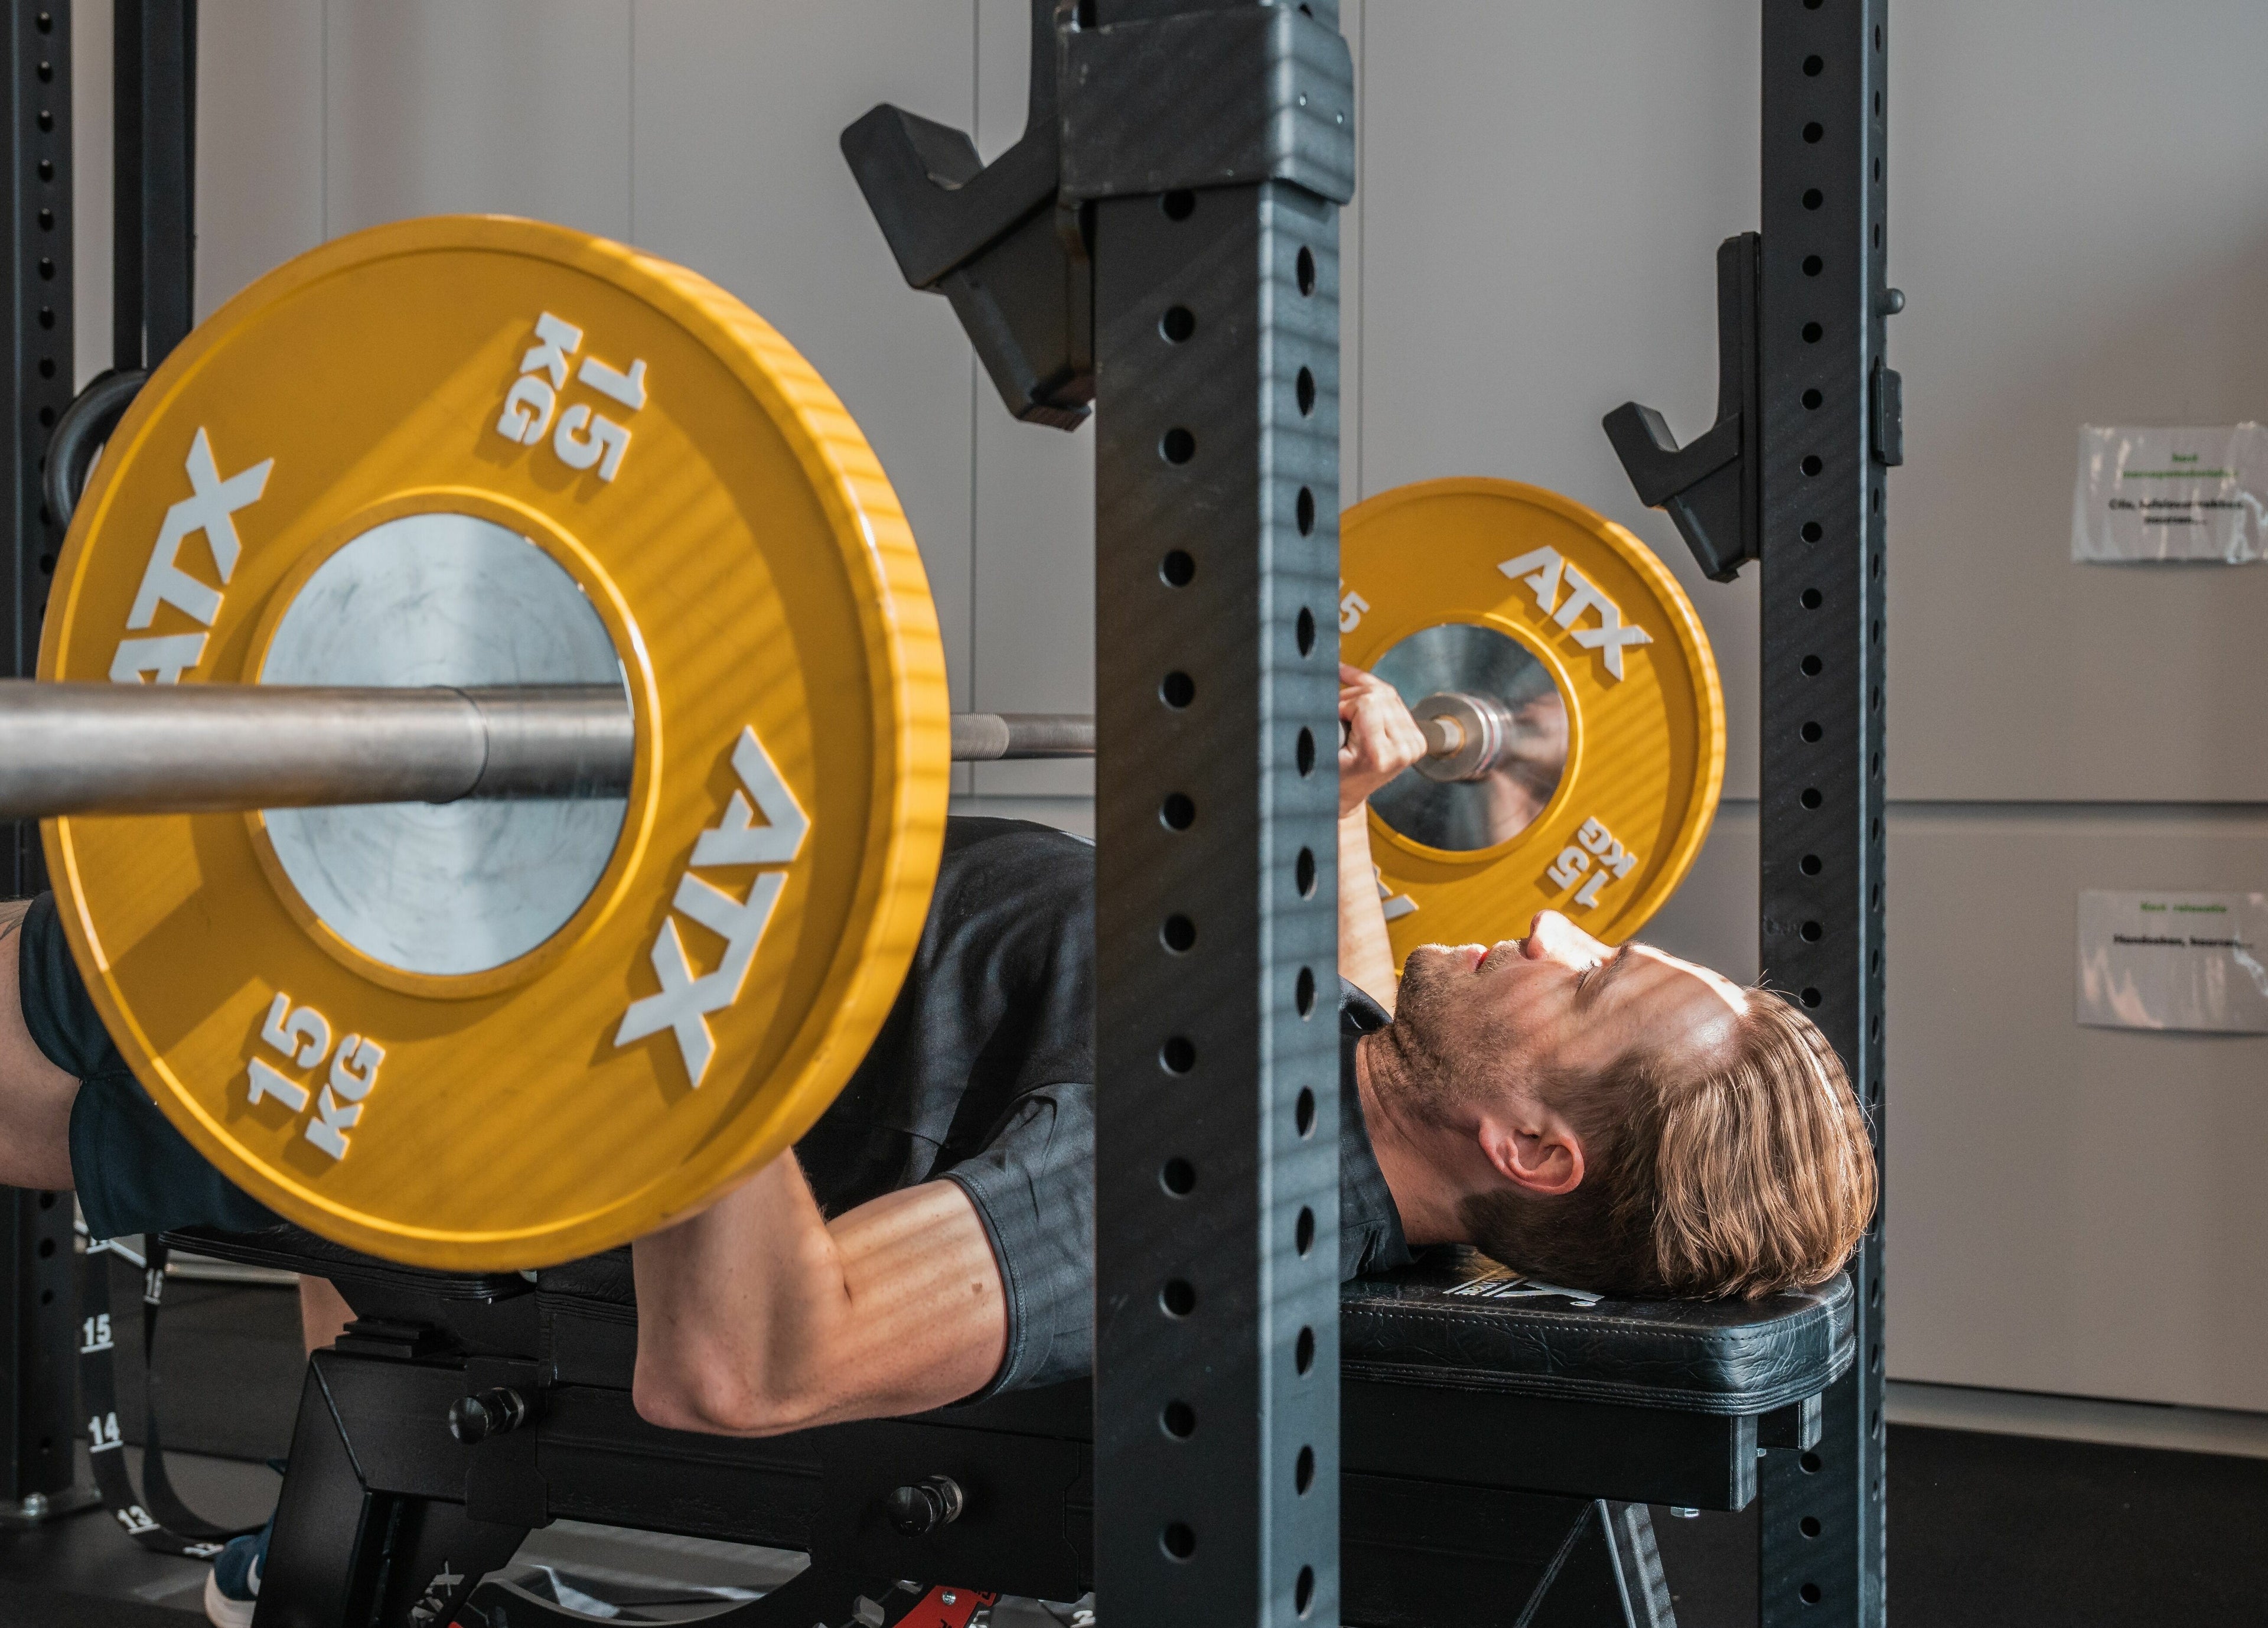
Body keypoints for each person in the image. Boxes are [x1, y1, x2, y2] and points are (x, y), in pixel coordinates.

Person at [0, 669, 1875, 1447]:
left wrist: (699, 929)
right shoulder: (1364, 1121)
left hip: (422, 1046)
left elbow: (751, 1363)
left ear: (1534, 1146)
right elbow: (1359, 1011)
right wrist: (1343, 813)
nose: (1557, 929)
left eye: (1593, 982)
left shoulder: (1209, 1187)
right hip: (467, 949)